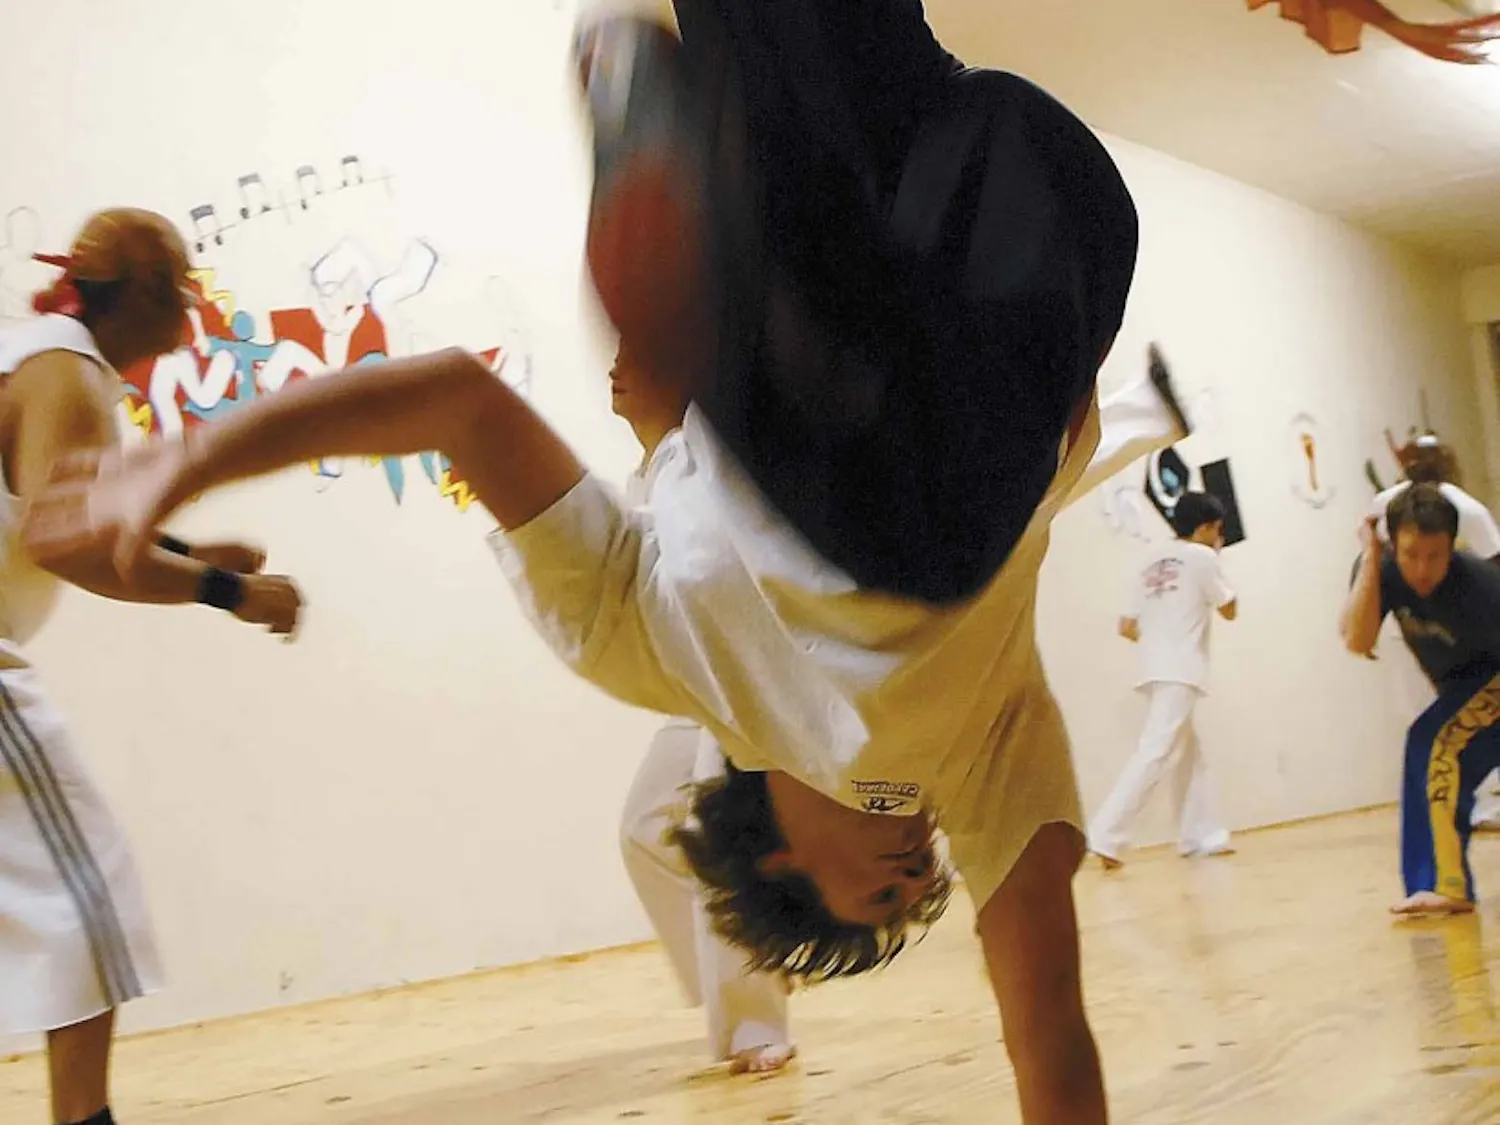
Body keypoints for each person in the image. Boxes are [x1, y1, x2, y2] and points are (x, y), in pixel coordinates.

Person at [20, 327, 1187, 1124]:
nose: (918, 860)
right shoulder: (980, 766)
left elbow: (456, 400)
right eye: (924, 881)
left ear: (787, 857)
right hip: (1012, 319)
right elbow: (1052, 1039)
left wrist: (183, 457)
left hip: (837, 314)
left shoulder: (632, 645)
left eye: (885, 891)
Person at [577, 0, 1139, 605]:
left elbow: (942, 524)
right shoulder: (773, 202)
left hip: (923, 559)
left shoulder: (1009, 145)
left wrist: (713, 331)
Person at [0, 209, 302, 1125]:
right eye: (182, 274)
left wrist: (186, 545)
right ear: (145, 289)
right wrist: (225, 590)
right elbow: (70, 545)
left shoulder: (42, 356)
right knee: (85, 884)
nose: (195, 294)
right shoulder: (69, 368)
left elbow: (60, 509)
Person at [611, 342, 794, 1074]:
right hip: (694, 686)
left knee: (720, 843)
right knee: (642, 829)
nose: (618, 364)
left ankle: (755, 1020)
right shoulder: (645, 472)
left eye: (637, 353)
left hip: (747, 684)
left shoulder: (710, 459)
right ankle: (756, 964)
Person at [1340, 484, 1500, 918]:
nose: (1422, 569)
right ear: (1393, 545)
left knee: (1436, 743)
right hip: (1464, 686)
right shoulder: (1383, 571)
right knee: (1424, 748)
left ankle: (1445, 884)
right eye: (1410, 554)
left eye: (1435, 555)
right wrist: (1371, 558)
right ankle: (1430, 883)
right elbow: (1357, 638)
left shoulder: (1481, 585)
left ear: (1452, 547)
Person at [1087, 492, 1237, 870]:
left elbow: (1126, 626)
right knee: (1154, 753)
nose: (1218, 538)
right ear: (1204, 527)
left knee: (1188, 755)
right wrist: (1218, 558)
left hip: (1153, 668)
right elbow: (1230, 608)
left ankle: (1201, 836)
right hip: (1181, 669)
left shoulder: (1151, 559)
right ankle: (1105, 834)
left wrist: (1160, 639)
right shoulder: (1203, 557)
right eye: (1217, 530)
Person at [1369, 434, 1500, 831]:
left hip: (1471, 634)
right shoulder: (1389, 505)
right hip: (1414, 628)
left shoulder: (1463, 510)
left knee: (1457, 721)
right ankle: (1458, 807)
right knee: (1431, 724)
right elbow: (1372, 565)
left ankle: (1477, 803)